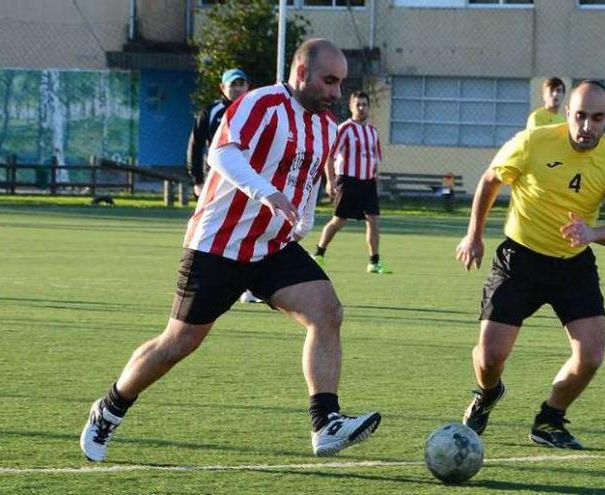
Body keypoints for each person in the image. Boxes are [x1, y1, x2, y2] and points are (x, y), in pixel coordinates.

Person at [80, 38, 381, 462]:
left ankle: (325, 422)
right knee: (179, 342)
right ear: (300, 73)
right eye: (329, 81)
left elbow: (310, 178)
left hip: (273, 246)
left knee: (327, 311)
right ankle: (110, 407)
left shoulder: (328, 126)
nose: (336, 92)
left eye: (341, 83)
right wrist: (268, 193)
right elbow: (221, 152)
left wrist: (305, 218)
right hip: (218, 244)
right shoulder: (261, 103)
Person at [455, 80, 605, 450]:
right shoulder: (534, 141)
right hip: (520, 260)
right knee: (490, 358)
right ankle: (488, 394)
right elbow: (491, 180)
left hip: (573, 264)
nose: (587, 127)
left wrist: (593, 232)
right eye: (581, 116)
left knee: (591, 356)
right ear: (567, 113)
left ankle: (550, 420)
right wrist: (474, 235)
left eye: (597, 118)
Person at [185, 68, 262, 303]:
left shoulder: (258, 111)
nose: (237, 88)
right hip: (218, 183)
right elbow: (195, 147)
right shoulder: (212, 112)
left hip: (249, 181)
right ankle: (196, 281)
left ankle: (249, 288)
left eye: (242, 83)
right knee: (209, 231)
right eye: (233, 84)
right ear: (223, 88)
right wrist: (197, 179)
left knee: (249, 231)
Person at [312, 91, 389, 274]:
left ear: (369, 107)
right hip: (348, 180)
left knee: (373, 221)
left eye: (364, 104)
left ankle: (374, 262)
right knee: (338, 221)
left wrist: (374, 181)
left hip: (367, 183)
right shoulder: (345, 129)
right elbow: (329, 156)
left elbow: (374, 159)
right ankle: (319, 253)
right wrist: (330, 181)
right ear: (351, 107)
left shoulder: (372, 131)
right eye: (358, 105)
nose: (361, 108)